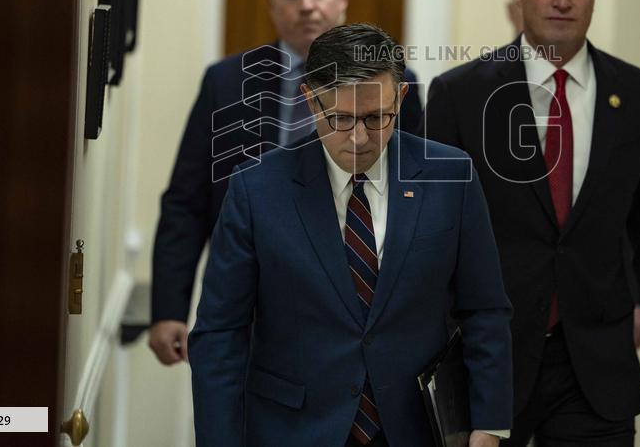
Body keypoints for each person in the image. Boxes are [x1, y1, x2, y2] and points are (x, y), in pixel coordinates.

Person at [423, 0, 640, 446]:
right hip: (488, 363)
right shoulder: (460, 95)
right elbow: (432, 241)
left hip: (595, 366)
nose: (562, 0)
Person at [188, 23, 513, 447]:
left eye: (377, 118)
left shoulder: (451, 177)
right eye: (339, 118)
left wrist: (489, 425)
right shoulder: (256, 190)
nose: (359, 138)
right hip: (293, 428)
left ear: (400, 97)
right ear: (309, 99)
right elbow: (220, 334)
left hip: (415, 428)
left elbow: (485, 309)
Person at [150, 0, 423, 365]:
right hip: (251, 291)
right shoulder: (226, 81)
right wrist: (168, 308)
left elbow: (418, 197)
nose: (307, 5)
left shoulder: (396, 85)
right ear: (271, 5)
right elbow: (187, 200)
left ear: (342, 0)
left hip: (358, 290)